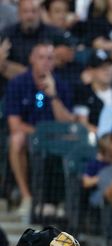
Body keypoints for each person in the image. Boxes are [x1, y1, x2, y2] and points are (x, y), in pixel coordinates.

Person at [5, 41, 74, 216]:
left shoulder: (62, 85)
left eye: (50, 58)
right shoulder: (17, 83)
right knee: (16, 139)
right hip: (31, 135)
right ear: (32, 59)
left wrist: (53, 96)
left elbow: (67, 123)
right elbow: (14, 124)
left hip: (57, 137)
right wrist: (39, 134)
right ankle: (27, 196)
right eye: (41, 57)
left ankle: (64, 202)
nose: (45, 62)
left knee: (74, 142)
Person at [73, 49, 112, 133]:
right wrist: (106, 137)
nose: (107, 70)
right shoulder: (82, 92)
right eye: (102, 67)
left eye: (110, 66)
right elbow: (82, 123)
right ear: (91, 70)